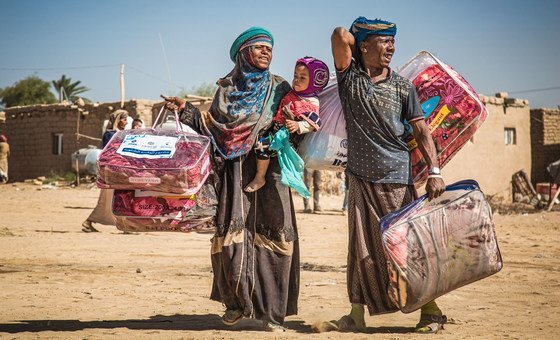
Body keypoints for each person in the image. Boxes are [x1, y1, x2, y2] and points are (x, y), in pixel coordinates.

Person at [163, 27, 299, 332]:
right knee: (233, 236)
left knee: (274, 234)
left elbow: (298, 118)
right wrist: (185, 110)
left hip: (271, 171)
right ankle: (237, 303)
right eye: (260, 47)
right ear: (243, 54)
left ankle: (273, 313)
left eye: (270, 48)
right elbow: (212, 134)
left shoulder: (280, 88)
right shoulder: (225, 91)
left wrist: (290, 129)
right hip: (234, 172)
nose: (267, 52)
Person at [318, 17, 447, 333]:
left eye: (393, 41)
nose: (391, 47)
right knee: (360, 250)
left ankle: (431, 312)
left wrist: (434, 171)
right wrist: (358, 34)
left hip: (397, 179)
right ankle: (356, 316)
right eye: (384, 41)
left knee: (406, 248)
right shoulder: (351, 79)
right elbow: (338, 35)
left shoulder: (404, 86)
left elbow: (420, 128)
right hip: (361, 178)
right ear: (363, 46)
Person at [244, 57, 329, 193]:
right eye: (295, 76)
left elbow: (315, 123)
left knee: (261, 146)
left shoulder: (311, 101)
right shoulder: (291, 93)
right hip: (276, 132)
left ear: (314, 82)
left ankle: (259, 177)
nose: (296, 80)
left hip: (289, 139)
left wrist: (298, 125)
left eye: (302, 78)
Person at [82, 110, 129, 232]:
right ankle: (89, 222)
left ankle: (125, 225)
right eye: (124, 119)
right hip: (111, 170)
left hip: (121, 170)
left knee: (120, 197)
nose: (126, 121)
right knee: (107, 199)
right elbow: (108, 153)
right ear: (118, 119)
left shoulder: (123, 134)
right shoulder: (110, 134)